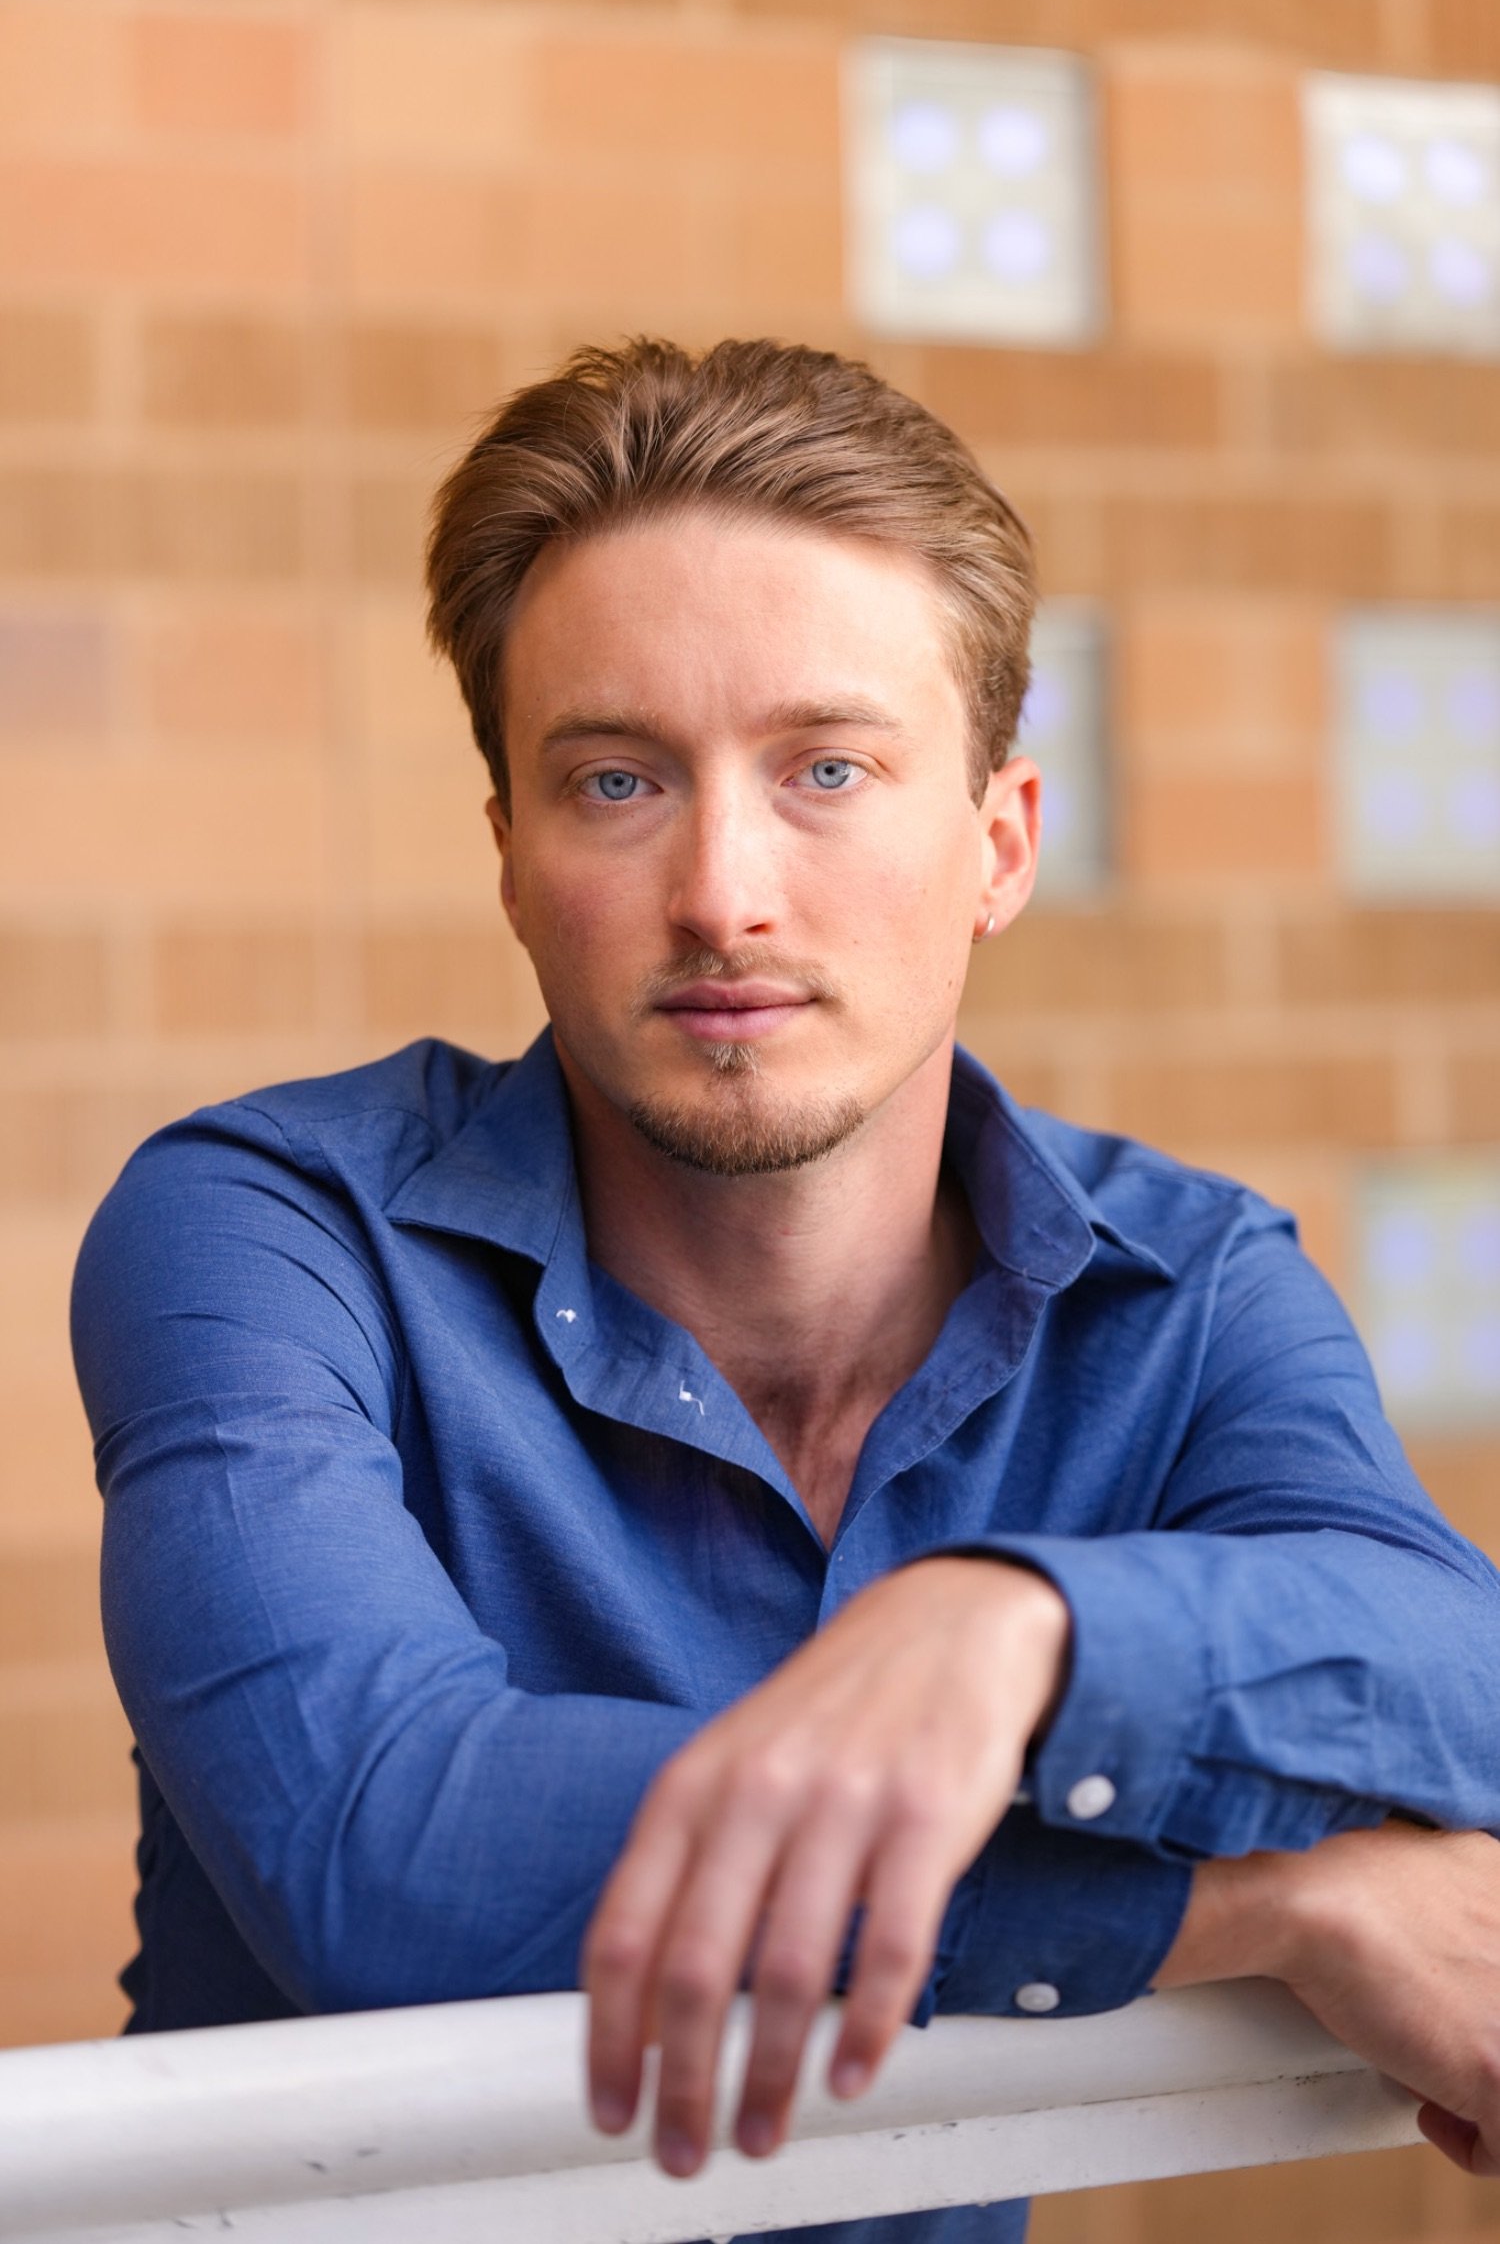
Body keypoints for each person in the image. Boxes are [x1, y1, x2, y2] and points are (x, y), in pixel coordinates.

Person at [72, 337, 1500, 2243]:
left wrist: (1030, 1636)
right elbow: (378, 1844)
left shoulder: (1188, 1284)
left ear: (997, 845)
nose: (723, 890)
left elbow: (1454, 1678)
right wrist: (1233, 1914)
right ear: (509, 853)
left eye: (826, 767)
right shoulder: (268, 1227)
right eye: (614, 780)